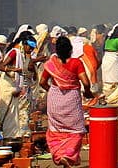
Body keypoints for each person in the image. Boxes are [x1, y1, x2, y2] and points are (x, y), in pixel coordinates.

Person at [40, 36, 94, 167]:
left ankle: (60, 155)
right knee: (75, 130)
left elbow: (42, 82)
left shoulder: (51, 63)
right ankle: (68, 155)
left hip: (55, 99)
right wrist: (87, 92)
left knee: (56, 130)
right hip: (71, 99)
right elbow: (86, 82)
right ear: (70, 49)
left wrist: (53, 91)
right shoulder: (76, 63)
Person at [0, 33, 34, 139]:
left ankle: (12, 136)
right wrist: (15, 70)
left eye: (32, 49)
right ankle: (6, 135)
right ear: (24, 45)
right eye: (30, 48)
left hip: (14, 85)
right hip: (6, 86)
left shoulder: (23, 55)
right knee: (7, 113)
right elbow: (1, 67)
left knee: (14, 114)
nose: (31, 50)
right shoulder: (14, 52)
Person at [100, 25, 118, 108]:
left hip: (106, 59)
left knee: (107, 79)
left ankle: (107, 98)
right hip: (114, 60)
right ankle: (117, 101)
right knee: (117, 79)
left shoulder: (108, 39)